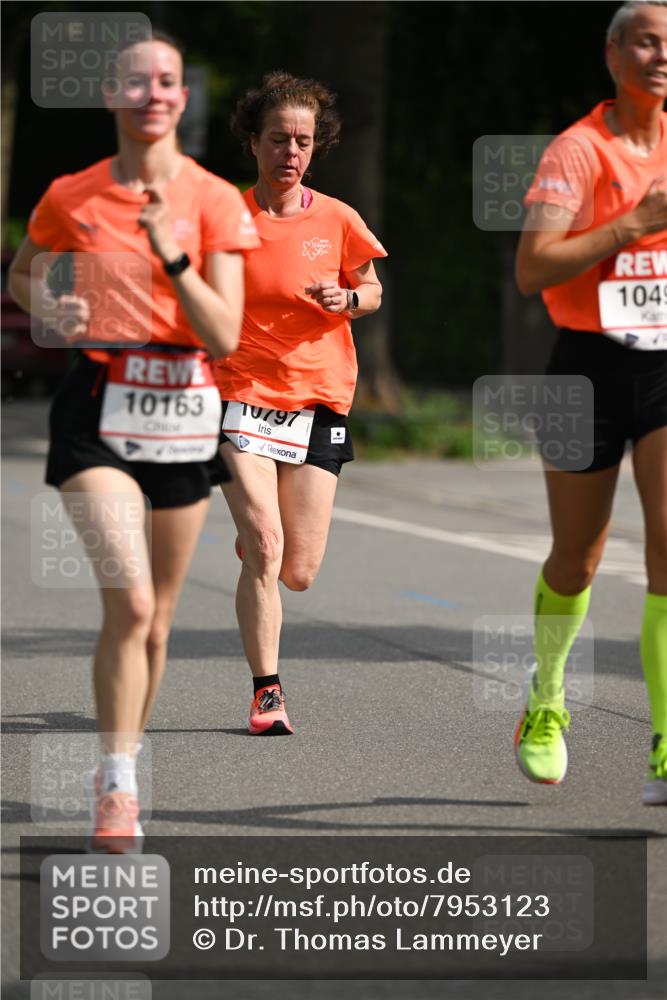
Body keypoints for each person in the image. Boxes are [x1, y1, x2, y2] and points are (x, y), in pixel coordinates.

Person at [9, 31, 259, 851]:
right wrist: (50, 308)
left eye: (168, 82)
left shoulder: (217, 199)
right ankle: (119, 787)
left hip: (186, 407)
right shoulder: (72, 194)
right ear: (114, 98)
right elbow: (22, 270)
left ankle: (119, 757)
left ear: (183, 100)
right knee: (134, 603)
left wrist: (172, 255)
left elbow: (223, 333)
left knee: (158, 625)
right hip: (99, 406)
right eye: (137, 82)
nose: (153, 94)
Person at [514, 1, 667, 804]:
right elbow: (533, 268)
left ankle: (666, 745)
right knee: (576, 558)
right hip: (586, 368)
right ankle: (545, 700)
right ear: (612, 55)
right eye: (645, 42)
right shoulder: (578, 151)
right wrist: (633, 222)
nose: (659, 56)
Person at [214, 71, 386, 736]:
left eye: (304, 141)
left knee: (299, 571)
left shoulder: (337, 219)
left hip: (317, 399)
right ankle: (266, 694)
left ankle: (258, 537)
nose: (291, 150)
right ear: (253, 142)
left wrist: (351, 300)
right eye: (279, 138)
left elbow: (370, 289)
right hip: (238, 396)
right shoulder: (224, 217)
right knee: (264, 545)